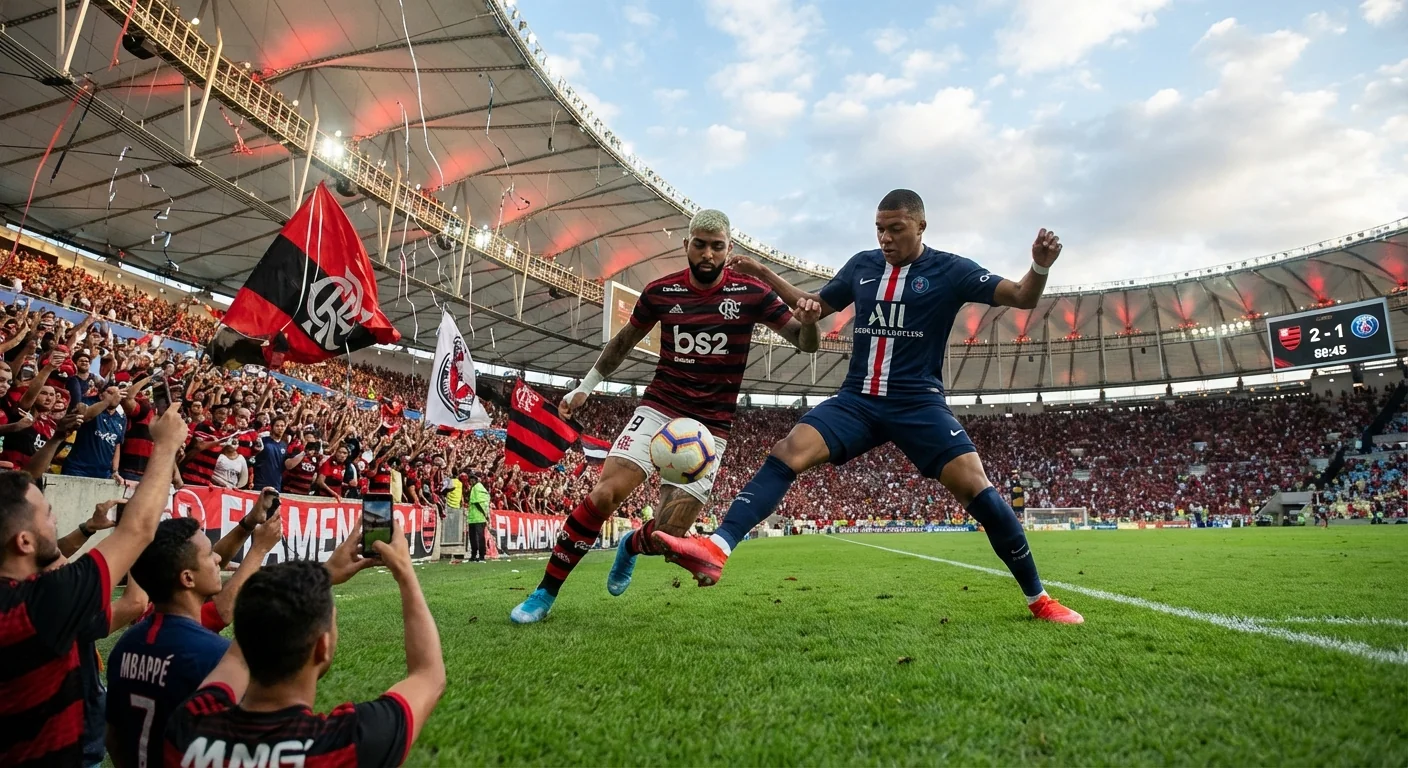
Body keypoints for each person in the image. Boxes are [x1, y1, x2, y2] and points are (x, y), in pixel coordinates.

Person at [652, 190, 1084, 624]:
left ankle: (1039, 599)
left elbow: (1023, 296)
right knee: (787, 451)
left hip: (918, 403)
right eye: (880, 228)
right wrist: (766, 274)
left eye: (895, 229)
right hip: (858, 399)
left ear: (920, 226)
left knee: (978, 490)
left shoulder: (951, 270)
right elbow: (816, 307)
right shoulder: (862, 265)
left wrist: (1040, 265)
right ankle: (717, 548)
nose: (885, 238)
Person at [510, 209, 821, 623]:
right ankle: (544, 594)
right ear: (686, 244)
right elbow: (623, 342)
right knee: (604, 495)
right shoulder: (661, 292)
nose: (708, 253)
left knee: (667, 535)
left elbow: (805, 343)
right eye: (700, 244)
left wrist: (812, 323)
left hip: (710, 428)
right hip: (660, 408)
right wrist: (585, 387)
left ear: (729, 250)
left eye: (717, 246)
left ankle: (631, 546)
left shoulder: (751, 294)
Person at [163, 521, 445, 766]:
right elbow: (428, 676)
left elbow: (238, 656)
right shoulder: (344, 745)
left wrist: (324, 575)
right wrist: (405, 573)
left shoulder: (188, 727)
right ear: (321, 647)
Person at [0, 406, 187, 767]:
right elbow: (139, 530)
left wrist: (86, 528)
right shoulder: (43, 604)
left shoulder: (25, 595)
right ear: (23, 542)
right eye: (48, 514)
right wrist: (165, 447)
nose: (54, 520)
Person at [105, 499, 283, 768]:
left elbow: (113, 738)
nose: (219, 559)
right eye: (210, 554)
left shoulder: (125, 646)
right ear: (188, 579)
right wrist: (259, 549)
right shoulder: (218, 657)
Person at [466, 473, 490, 562]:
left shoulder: (477, 488)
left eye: (473, 479)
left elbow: (477, 502)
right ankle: (475, 555)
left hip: (478, 517)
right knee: (474, 537)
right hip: (473, 517)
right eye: (470, 479)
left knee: (479, 537)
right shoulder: (476, 488)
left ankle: (481, 555)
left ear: (476, 480)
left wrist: (484, 513)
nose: (471, 481)